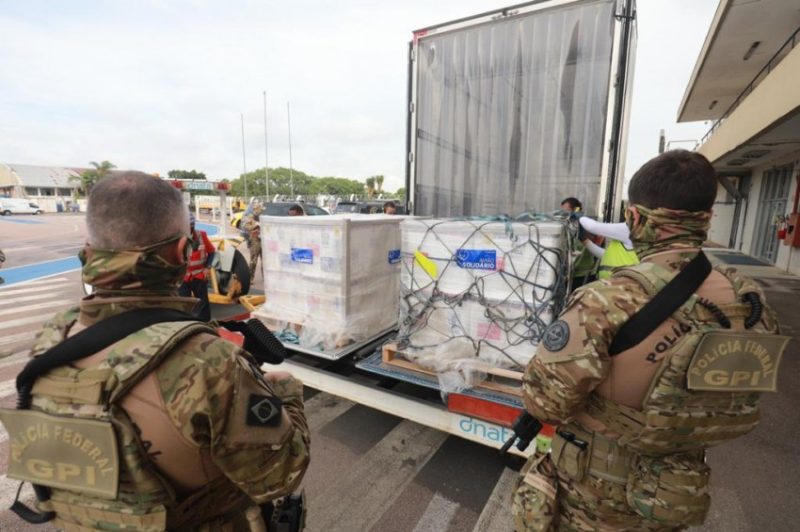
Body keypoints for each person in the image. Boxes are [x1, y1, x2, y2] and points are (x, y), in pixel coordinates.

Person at [0, 172, 310, 530]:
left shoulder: (55, 335)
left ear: (89, 249)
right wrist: (285, 391)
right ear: (182, 252)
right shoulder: (210, 363)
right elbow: (282, 475)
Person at [513, 150, 784, 531]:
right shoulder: (746, 297)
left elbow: (546, 402)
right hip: (673, 491)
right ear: (707, 218)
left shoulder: (606, 301)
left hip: (595, 499)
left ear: (635, 218)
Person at [178, 213, 216, 321]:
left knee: (202, 302)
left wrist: (207, 268)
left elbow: (212, 252)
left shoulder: (201, 236)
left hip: (199, 275)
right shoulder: (177, 239)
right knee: (183, 303)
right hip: (183, 277)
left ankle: (206, 323)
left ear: (192, 225)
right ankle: (186, 324)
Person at [244, 202, 264, 280]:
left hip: (263, 239)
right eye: (260, 209)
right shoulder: (250, 217)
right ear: (256, 209)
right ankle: (250, 277)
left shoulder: (263, 217)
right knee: (253, 260)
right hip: (255, 240)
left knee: (265, 260)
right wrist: (255, 226)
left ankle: (265, 278)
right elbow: (246, 226)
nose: (262, 211)